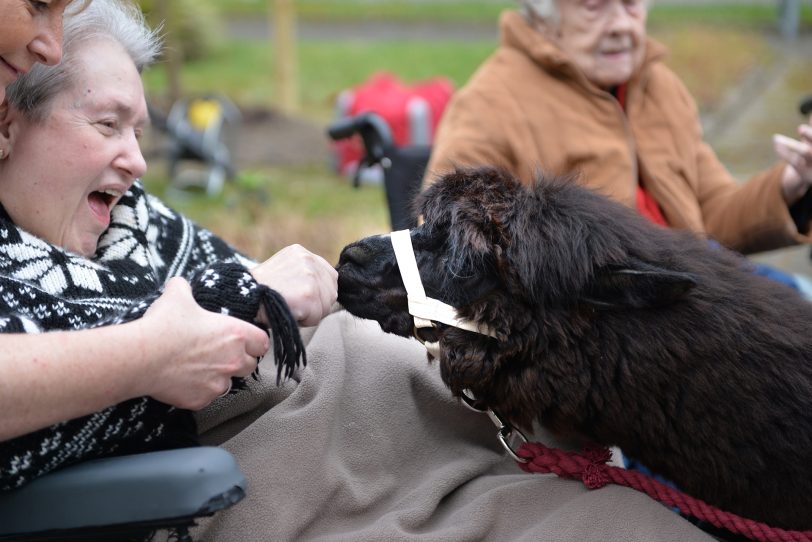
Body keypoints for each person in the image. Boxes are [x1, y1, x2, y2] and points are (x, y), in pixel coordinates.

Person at [0, 0, 336, 489]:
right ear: (8, 122)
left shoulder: (131, 215)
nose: (138, 161)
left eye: (137, 132)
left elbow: (269, 285)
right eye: (107, 124)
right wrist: (192, 326)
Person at [424, 0, 812, 258]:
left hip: (696, 297)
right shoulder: (492, 101)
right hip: (598, 339)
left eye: (630, 3)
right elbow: (446, 239)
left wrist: (790, 185)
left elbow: (713, 214)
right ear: (544, 16)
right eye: (595, 6)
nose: (621, 25)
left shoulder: (660, 86)